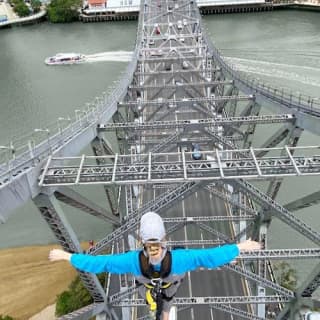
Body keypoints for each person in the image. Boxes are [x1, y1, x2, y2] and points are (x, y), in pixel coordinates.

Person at [49, 211, 261, 320]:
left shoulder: (132, 260)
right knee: (191, 263)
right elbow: (208, 257)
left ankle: (161, 313)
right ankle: (164, 313)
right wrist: (240, 247)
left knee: (156, 300)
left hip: (148, 289)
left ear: (142, 242)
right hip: (172, 283)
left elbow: (98, 263)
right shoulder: (178, 258)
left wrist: (67, 256)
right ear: (164, 239)